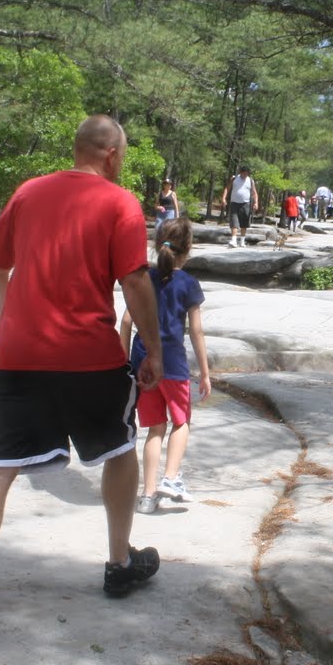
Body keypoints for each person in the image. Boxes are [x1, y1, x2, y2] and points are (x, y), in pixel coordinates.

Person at [0, 114, 165, 644]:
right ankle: (119, 563)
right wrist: (155, 349)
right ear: (112, 154)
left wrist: (2, 317)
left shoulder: (29, 192)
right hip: (89, 357)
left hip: (17, 358)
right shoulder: (120, 202)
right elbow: (135, 280)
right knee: (120, 449)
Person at [120, 219, 211, 515]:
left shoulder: (144, 278)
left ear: (157, 244)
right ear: (188, 248)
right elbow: (196, 331)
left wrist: (123, 362)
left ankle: (147, 497)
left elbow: (126, 321)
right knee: (181, 421)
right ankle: (170, 478)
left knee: (154, 428)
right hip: (172, 362)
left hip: (142, 363)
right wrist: (205, 372)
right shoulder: (189, 284)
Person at [219, 166, 257, 248]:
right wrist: (223, 198)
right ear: (240, 172)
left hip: (246, 203)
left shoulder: (250, 180)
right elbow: (227, 188)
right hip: (234, 203)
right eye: (243, 173)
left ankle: (242, 241)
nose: (245, 175)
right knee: (234, 221)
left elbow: (254, 193)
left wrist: (256, 203)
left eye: (246, 174)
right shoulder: (234, 178)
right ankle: (234, 240)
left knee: (244, 223)